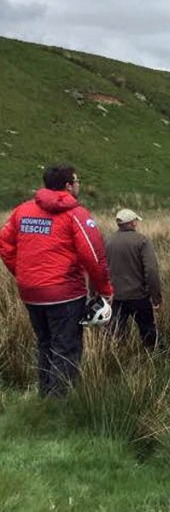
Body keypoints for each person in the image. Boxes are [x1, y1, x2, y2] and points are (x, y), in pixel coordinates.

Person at [0, 164, 113, 397]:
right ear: (68, 186)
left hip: (31, 293)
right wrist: (104, 289)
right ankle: (59, 404)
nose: (79, 185)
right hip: (65, 293)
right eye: (77, 181)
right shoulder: (76, 215)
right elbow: (93, 256)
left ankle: (45, 395)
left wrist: (23, 275)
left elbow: (5, 245)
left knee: (45, 343)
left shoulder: (22, 211)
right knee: (66, 347)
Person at [105, 208, 162, 349]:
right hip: (139, 296)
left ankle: (113, 361)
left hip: (115, 297)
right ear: (132, 223)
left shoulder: (108, 242)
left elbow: (99, 269)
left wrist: (98, 294)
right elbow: (151, 271)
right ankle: (154, 358)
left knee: (114, 335)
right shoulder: (142, 241)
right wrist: (156, 298)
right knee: (148, 332)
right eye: (136, 221)